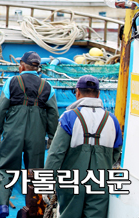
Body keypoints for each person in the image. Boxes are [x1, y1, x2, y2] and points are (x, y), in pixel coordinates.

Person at [0, 51, 59, 218]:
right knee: (35, 172)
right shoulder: (47, 86)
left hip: (14, 129)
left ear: (21, 65)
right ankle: (32, 211)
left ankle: (2, 206)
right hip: (37, 133)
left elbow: (1, 109)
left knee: (5, 167)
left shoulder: (12, 82)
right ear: (37, 68)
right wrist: (52, 137)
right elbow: (53, 114)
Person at [45, 75, 122, 218]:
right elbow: (116, 152)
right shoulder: (112, 120)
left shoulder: (69, 117)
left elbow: (56, 154)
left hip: (71, 183)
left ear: (77, 92)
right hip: (100, 183)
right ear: (98, 94)